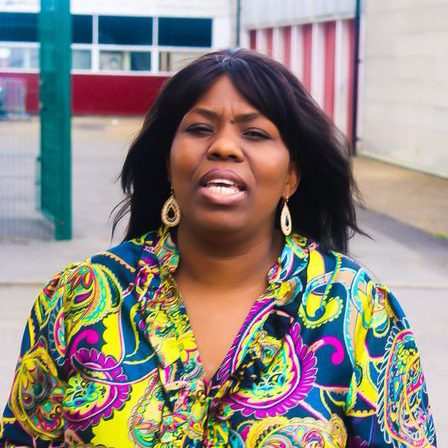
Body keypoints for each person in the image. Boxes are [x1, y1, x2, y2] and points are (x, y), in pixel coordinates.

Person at [0, 49, 437, 448]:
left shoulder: (357, 308)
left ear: (291, 177)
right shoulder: (80, 295)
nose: (224, 146)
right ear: (168, 163)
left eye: (255, 133)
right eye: (199, 129)